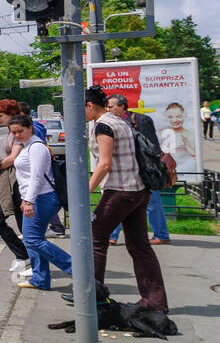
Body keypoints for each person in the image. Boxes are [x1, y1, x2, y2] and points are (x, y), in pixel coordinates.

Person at [71, 87, 168, 311]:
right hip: (138, 190)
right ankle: (155, 302)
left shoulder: (103, 125)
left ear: (89, 105)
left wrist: (85, 191)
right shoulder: (120, 121)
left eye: (79, 109)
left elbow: (104, 163)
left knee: (95, 239)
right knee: (140, 247)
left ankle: (92, 298)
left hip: (120, 191)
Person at [8, 113, 72, 290]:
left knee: (32, 240)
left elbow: (36, 177)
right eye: (13, 132)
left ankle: (77, 269)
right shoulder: (27, 145)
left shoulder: (36, 147)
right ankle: (40, 279)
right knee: (34, 239)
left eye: (20, 131)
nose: (17, 135)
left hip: (41, 198)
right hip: (37, 198)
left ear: (30, 128)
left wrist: (28, 201)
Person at [107, 95, 171, 246]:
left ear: (122, 107)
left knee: (152, 202)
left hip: (144, 170)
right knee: (123, 199)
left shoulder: (141, 120)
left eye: (111, 107)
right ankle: (112, 235)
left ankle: (161, 234)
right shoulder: (115, 122)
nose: (108, 110)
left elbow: (152, 147)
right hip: (128, 168)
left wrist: (147, 166)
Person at [0, 100, 38, 273]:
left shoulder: (17, 133)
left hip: (18, 181)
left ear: (11, 114)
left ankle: (27, 258)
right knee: (19, 222)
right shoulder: (12, 131)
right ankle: (26, 257)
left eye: (0, 115)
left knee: (3, 220)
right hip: (14, 180)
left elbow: (12, 159)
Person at [159, 101, 198, 177]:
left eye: (178, 116)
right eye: (170, 117)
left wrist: (191, 150)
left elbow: (196, 156)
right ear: (166, 117)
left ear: (184, 116)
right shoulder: (163, 134)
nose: (174, 120)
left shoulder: (190, 135)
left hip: (186, 172)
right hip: (167, 171)